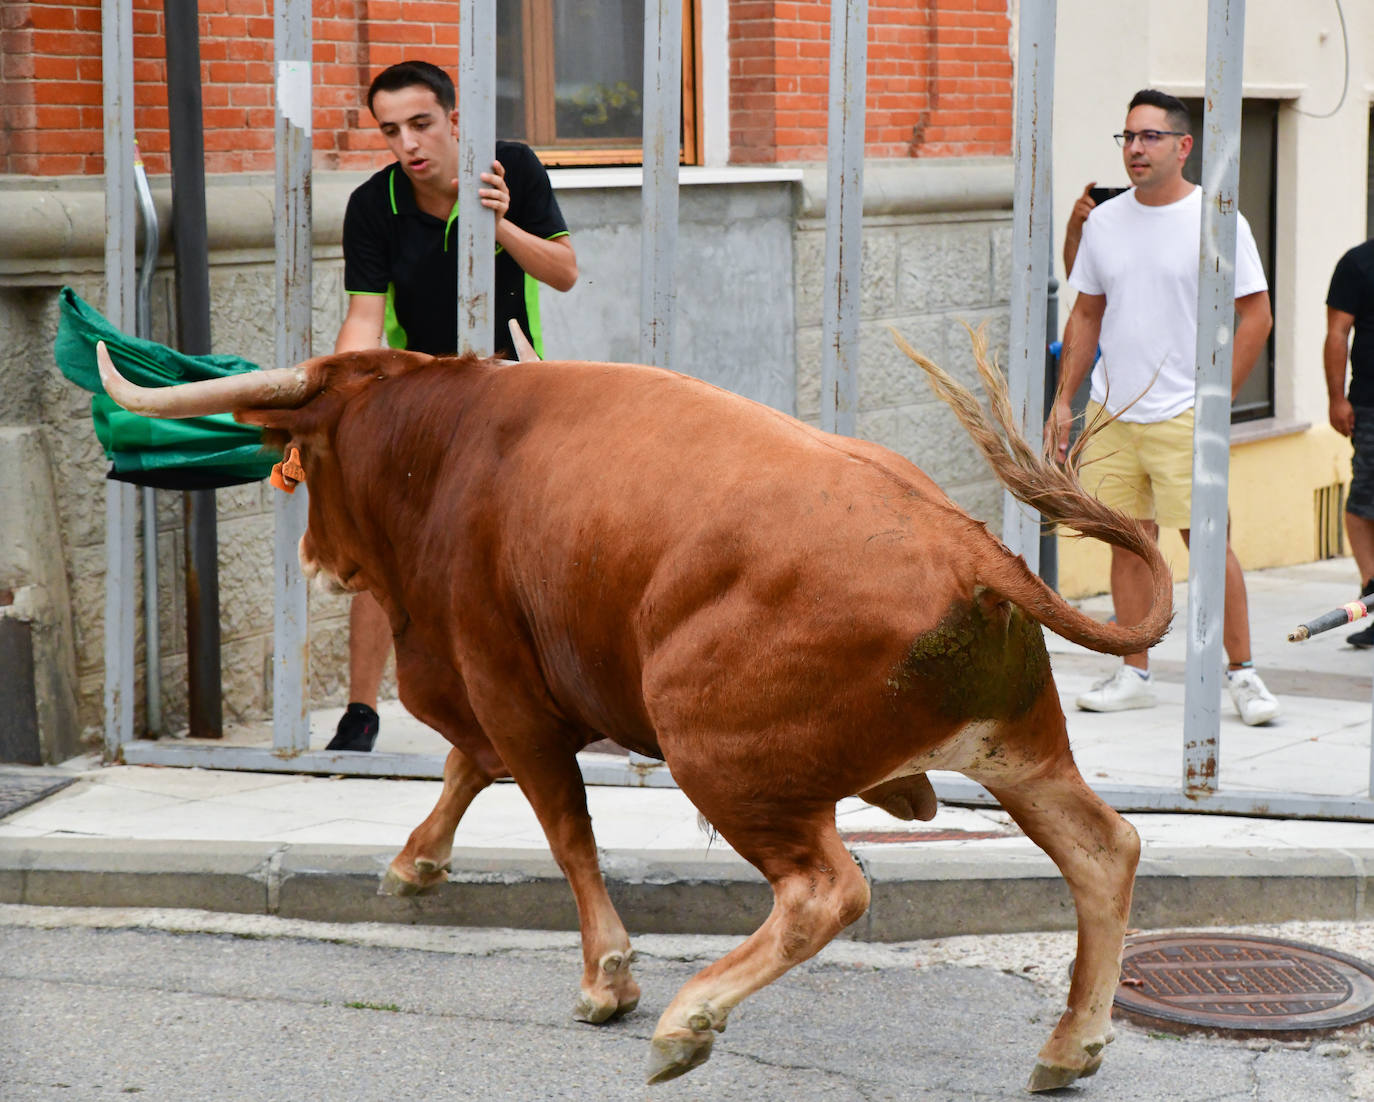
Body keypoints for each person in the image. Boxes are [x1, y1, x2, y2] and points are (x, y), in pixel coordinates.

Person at [326, 60, 578, 751]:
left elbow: (563, 273)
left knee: (529, 546)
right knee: (385, 550)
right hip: (417, 397)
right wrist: (339, 407)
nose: (408, 144)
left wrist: (498, 225)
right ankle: (360, 712)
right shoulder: (374, 204)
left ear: (454, 120)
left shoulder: (511, 169)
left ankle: (560, 698)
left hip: (513, 389)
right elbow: (362, 320)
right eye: (391, 130)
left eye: (421, 124)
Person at [1046, 88, 1280, 726]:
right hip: (1112, 412)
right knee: (1127, 543)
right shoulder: (1105, 221)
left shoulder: (1218, 219)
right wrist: (1065, 401)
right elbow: (1087, 312)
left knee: (1208, 545)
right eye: (1127, 137)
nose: (1135, 149)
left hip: (1186, 411)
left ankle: (1243, 674)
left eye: (1149, 137)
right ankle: (1133, 669)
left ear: (1184, 146)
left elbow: (1255, 313)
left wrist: (1219, 402)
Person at [1323, 235, 1374, 646]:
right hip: (1371, 405)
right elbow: (1337, 331)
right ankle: (1373, 591)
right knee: (1364, 502)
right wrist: (1336, 397)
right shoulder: (1358, 263)